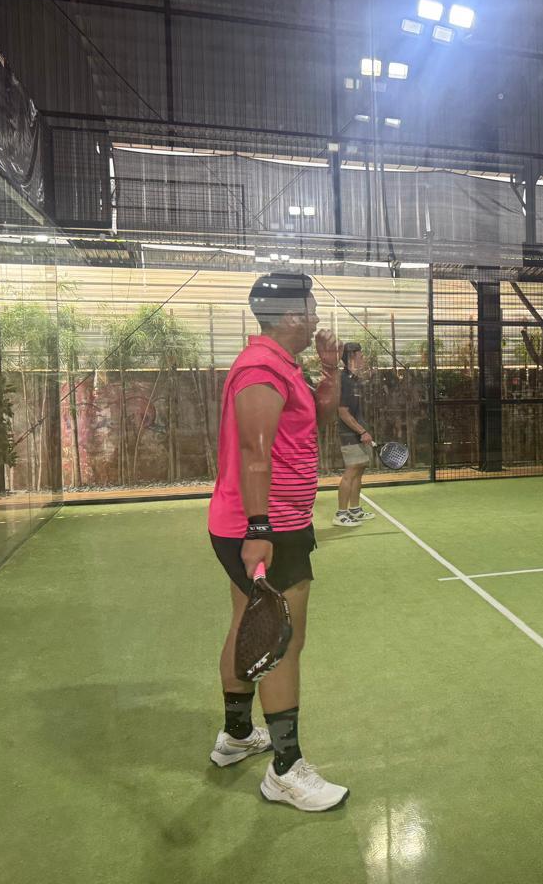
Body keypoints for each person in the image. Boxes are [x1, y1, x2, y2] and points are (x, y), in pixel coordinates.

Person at [205, 272, 349, 812]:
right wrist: (260, 529)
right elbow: (254, 452)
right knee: (282, 640)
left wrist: (330, 375)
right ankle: (286, 770)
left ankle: (237, 735)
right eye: (310, 308)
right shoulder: (261, 369)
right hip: (268, 526)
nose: (316, 316)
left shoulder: (284, 365)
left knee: (248, 625)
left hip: (267, 521)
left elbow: (313, 426)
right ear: (290, 316)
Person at [334, 341, 376, 527]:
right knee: (351, 472)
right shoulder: (344, 380)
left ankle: (355, 510)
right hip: (349, 434)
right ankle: (341, 514)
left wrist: (363, 430)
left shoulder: (355, 380)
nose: (363, 358)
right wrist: (362, 431)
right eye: (360, 355)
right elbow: (343, 412)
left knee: (359, 470)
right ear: (351, 356)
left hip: (358, 432)